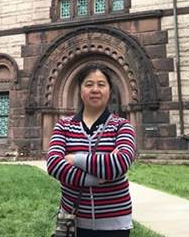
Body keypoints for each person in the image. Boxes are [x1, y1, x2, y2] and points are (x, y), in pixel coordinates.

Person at [46, 63, 136, 236]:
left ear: (109, 90)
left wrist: (75, 159)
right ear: (80, 90)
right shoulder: (64, 125)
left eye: (101, 84)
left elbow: (121, 163)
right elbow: (54, 165)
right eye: (89, 84)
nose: (95, 89)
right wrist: (97, 178)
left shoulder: (122, 126)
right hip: (72, 220)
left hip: (114, 224)